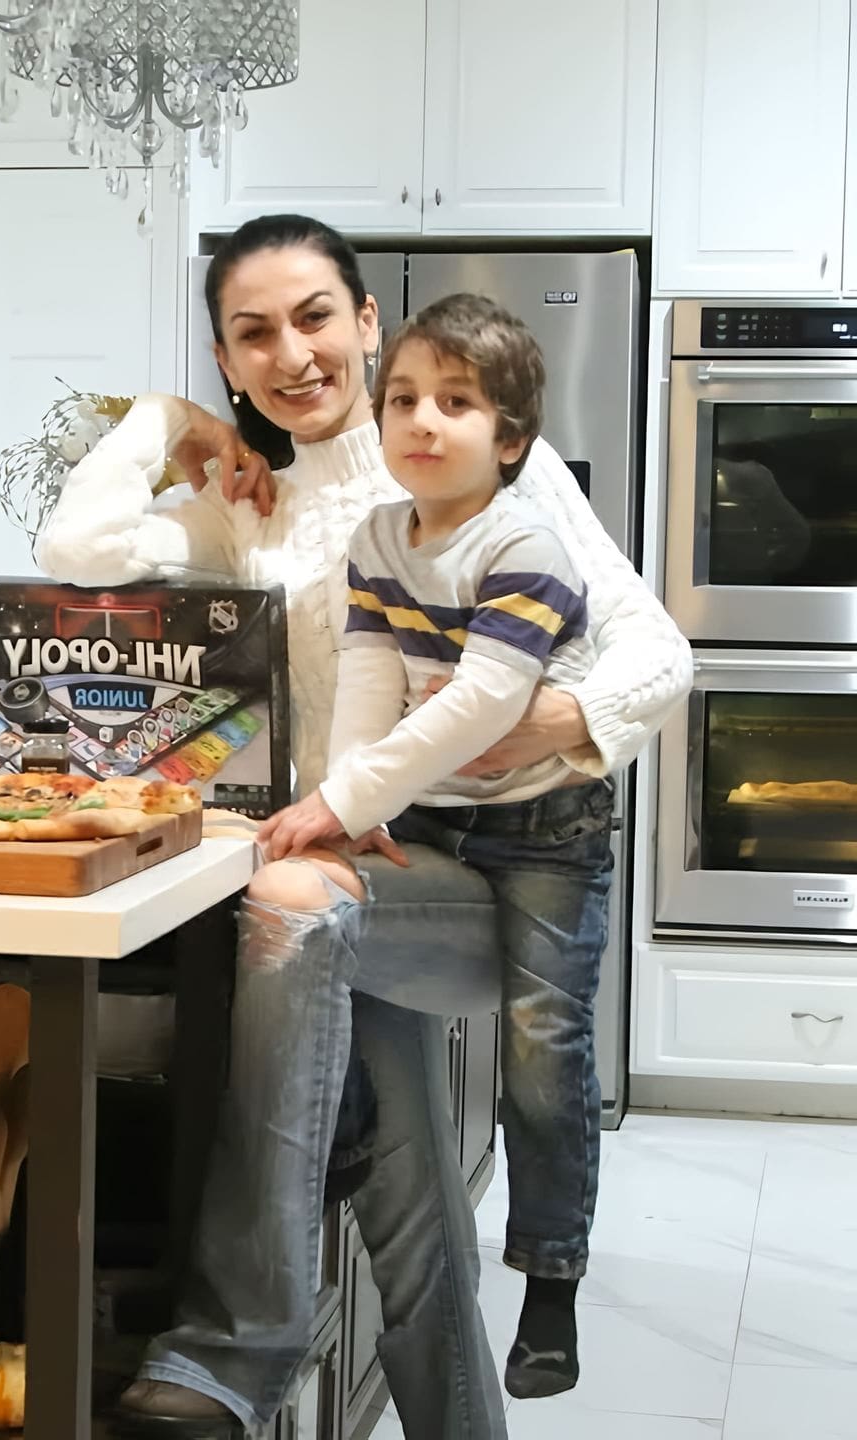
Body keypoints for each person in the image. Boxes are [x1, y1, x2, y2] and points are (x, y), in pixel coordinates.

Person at [35, 214, 689, 1439]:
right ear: (226, 360)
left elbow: (656, 650)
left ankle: (239, 1347)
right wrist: (163, 422)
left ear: (367, 321)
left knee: (288, 910)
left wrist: (559, 721)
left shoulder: (470, 460)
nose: (292, 355)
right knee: (412, 1198)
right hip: (373, 863)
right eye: (253, 334)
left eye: (314, 317)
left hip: (492, 882)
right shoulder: (247, 506)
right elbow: (77, 551)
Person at [261, 292, 617, 1400]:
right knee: (329, 929)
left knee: (543, 1048)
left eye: (455, 403)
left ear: (511, 440)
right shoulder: (379, 539)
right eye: (405, 398)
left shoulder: (526, 545)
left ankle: (550, 1275)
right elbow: (370, 676)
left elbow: (480, 704)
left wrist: (345, 795)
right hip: (435, 819)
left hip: (547, 831)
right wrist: (351, 802)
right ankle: (344, 1139)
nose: (421, 419)